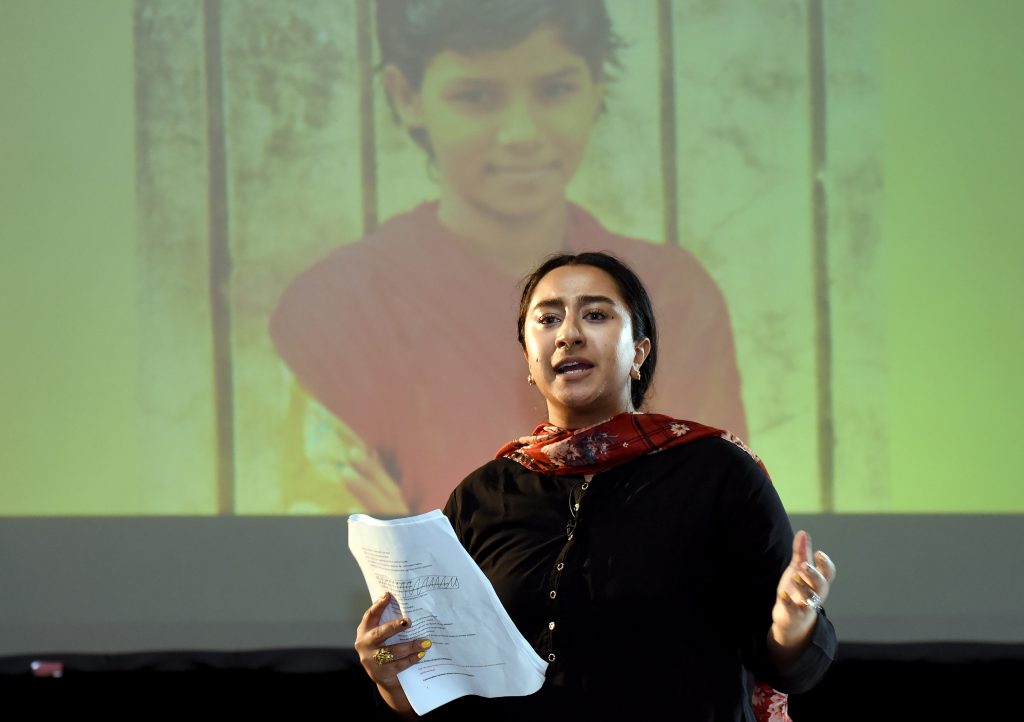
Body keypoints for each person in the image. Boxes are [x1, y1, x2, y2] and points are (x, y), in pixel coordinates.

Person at [269, 0, 747, 515]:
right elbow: (349, 532)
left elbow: (711, 517)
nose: (521, 133)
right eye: (476, 96)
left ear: (596, 87)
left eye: (554, 90)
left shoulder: (674, 294)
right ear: (405, 96)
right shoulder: (338, 307)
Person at [354, 252, 837, 720]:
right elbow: (445, 686)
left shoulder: (719, 473)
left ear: (638, 353)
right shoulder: (481, 496)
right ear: (528, 359)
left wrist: (791, 628)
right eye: (547, 319)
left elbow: (788, 665)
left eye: (596, 314)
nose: (568, 334)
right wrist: (392, 677)